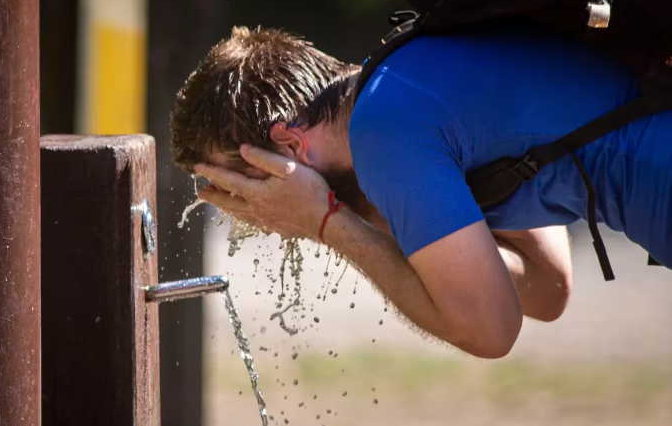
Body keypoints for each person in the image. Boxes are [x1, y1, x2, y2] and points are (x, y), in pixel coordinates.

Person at [169, 24, 672, 359]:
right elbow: (548, 286)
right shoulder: (402, 77)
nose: (251, 213)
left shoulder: (382, 131)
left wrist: (326, 222)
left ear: (288, 143)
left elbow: (490, 329)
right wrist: (368, 214)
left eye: (241, 186)